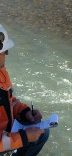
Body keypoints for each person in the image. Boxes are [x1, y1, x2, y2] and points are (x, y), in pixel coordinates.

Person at [0, 25, 49, 156]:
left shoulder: (1, 72)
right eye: (4, 51)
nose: (6, 55)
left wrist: (24, 111)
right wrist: (24, 137)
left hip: (5, 134)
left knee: (42, 133)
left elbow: (7, 101)